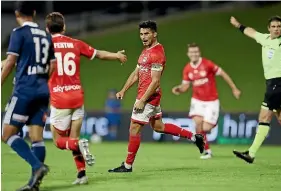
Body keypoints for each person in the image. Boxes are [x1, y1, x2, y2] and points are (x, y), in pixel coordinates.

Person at [108, 20, 205, 173]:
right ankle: (194, 137)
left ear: (154, 34)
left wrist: (142, 100)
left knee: (134, 128)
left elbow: (155, 81)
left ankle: (127, 166)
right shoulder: (145, 51)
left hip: (148, 97)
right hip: (148, 96)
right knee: (159, 126)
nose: (143, 37)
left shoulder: (157, 53)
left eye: (146, 33)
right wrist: (123, 90)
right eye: (141, 34)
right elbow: (136, 74)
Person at [45, 12, 127, 184]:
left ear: (47, 28)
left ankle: (79, 147)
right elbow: (100, 55)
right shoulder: (75, 44)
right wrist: (117, 55)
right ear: (64, 27)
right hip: (77, 97)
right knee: (73, 138)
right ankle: (81, 174)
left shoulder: (46, 46)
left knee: (59, 141)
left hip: (60, 100)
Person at [1, 1, 55, 190]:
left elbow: (10, 62)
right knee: (36, 137)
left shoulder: (18, 33)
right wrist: (40, 80)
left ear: (17, 14)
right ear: (33, 13)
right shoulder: (47, 36)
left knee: (7, 134)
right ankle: (34, 184)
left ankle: (37, 166)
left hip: (25, 89)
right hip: (42, 90)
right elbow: (52, 66)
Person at [230, 16, 281, 163]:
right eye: (273, 26)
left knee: (264, 117)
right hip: (272, 83)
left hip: (279, 82)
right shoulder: (265, 38)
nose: (276, 29)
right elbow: (252, 32)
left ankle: (251, 153)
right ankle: (251, 153)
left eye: (279, 26)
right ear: (269, 28)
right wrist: (238, 25)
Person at [172, 43, 241, 159]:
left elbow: (223, 74)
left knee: (206, 128)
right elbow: (185, 86)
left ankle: (213, 121)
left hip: (211, 101)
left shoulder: (207, 64)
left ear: (199, 53)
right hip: (197, 100)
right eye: (191, 52)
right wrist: (179, 89)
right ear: (188, 54)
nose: (194, 54)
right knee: (197, 124)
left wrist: (234, 88)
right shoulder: (187, 69)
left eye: (196, 52)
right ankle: (207, 151)